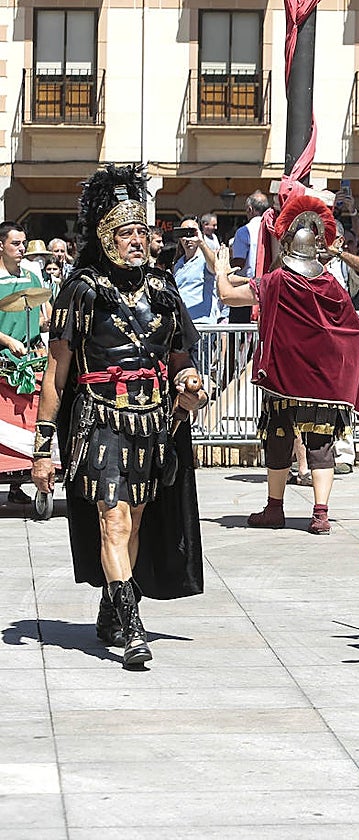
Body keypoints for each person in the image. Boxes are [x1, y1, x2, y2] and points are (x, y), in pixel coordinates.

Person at [30, 165, 207, 669]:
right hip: (99, 420)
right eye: (126, 232)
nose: (137, 241)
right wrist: (42, 448)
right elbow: (56, 374)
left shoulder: (163, 288)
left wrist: (190, 382)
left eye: (142, 232)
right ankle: (132, 628)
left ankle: (112, 607)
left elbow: (181, 358)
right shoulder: (82, 290)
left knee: (134, 525)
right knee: (113, 520)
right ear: (106, 238)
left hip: (153, 423)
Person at [215, 193, 359, 534]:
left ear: (286, 247)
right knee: (321, 444)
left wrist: (221, 270)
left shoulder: (278, 281)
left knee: (279, 439)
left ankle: (275, 508)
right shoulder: (331, 284)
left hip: (283, 380)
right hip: (322, 384)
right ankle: (320, 514)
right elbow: (352, 330)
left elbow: (227, 295)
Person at [0, 221, 46, 505]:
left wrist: (47, 325)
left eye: (23, 244)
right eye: (15, 244)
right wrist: (7, 341)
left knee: (28, 422)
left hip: (29, 359)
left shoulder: (31, 278)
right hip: (3, 359)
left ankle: (21, 481)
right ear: (0, 245)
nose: (21, 249)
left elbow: (42, 315)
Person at [229, 190, 271, 323]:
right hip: (269, 288)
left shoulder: (243, 232)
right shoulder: (273, 229)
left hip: (248, 289)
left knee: (239, 331)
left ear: (250, 209)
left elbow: (238, 263)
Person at [174, 216, 223, 325]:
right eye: (184, 233)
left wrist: (201, 242)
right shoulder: (178, 264)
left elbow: (215, 267)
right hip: (183, 325)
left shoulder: (205, 259)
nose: (188, 238)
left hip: (202, 324)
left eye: (192, 233)